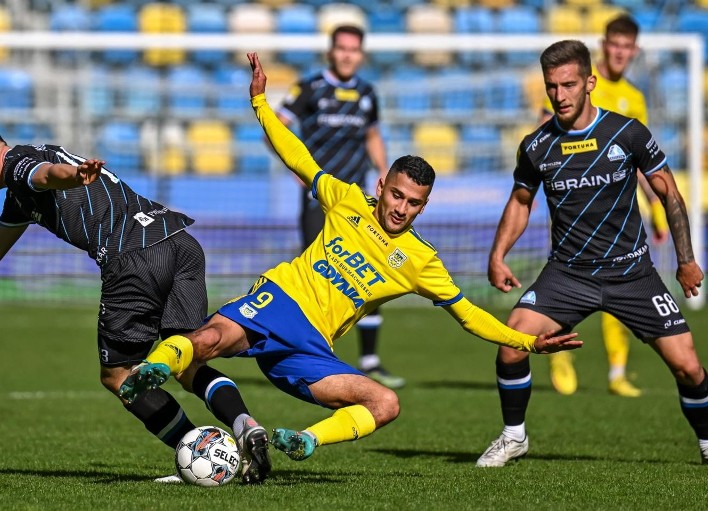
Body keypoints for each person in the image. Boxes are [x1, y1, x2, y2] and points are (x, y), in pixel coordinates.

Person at [118, 52, 582, 463]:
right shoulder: (348, 200)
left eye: (413, 203)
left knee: (385, 404)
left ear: (424, 206)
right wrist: (260, 104)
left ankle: (301, 441)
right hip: (280, 301)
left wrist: (528, 343)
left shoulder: (420, 260)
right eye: (396, 195)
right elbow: (299, 159)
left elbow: (467, 315)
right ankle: (154, 371)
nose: (401, 208)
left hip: (312, 347)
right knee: (207, 340)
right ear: (381, 186)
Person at [0, 115, 271, 484]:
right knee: (185, 359)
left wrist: (73, 177)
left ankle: (196, 451)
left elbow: (45, 175)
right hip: (180, 243)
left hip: (134, 256)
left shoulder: (21, 165)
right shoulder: (20, 195)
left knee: (119, 376)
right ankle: (244, 425)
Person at [477, 40, 708, 468]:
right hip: (568, 275)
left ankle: (707, 440)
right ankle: (514, 437)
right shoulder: (536, 146)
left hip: (633, 275)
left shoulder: (627, 132)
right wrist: (497, 255)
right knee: (512, 342)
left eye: (568, 85)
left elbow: (669, 194)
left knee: (689, 368)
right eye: (551, 87)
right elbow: (521, 201)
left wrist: (686, 259)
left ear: (589, 83)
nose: (560, 96)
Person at [541, 14, 668, 398]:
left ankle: (617, 371)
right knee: (567, 287)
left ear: (634, 50)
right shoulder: (576, 85)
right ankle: (559, 353)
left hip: (622, 213)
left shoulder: (636, 98)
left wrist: (658, 210)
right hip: (577, 209)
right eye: (614, 44)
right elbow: (546, 133)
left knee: (624, 289)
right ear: (604, 45)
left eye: (627, 46)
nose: (619, 52)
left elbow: (641, 161)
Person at [275, 25, 401, 389]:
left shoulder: (366, 93)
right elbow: (278, 126)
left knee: (368, 273)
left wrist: (384, 171)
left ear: (361, 55)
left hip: (357, 201)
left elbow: (372, 134)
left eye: (354, 50)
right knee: (317, 273)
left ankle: (370, 359)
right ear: (331, 52)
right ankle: (305, 354)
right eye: (341, 49)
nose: (347, 55)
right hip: (319, 195)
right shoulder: (310, 88)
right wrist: (295, 167)